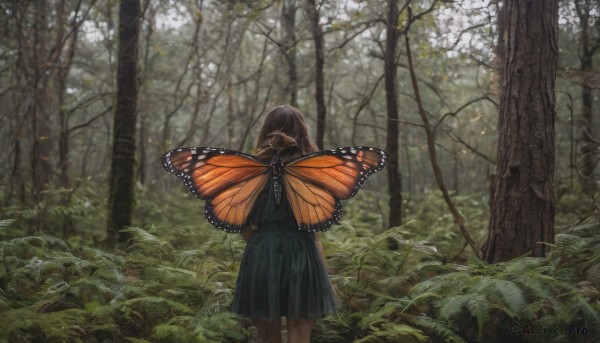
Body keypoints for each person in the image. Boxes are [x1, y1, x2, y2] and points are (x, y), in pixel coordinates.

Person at [232, 105, 338, 343]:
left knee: (267, 337)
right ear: (302, 131)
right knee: (300, 333)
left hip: (261, 255)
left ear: (266, 131)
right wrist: (324, 272)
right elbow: (316, 228)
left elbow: (244, 228)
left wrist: (267, 241)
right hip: (302, 253)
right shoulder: (312, 170)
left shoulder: (251, 170)